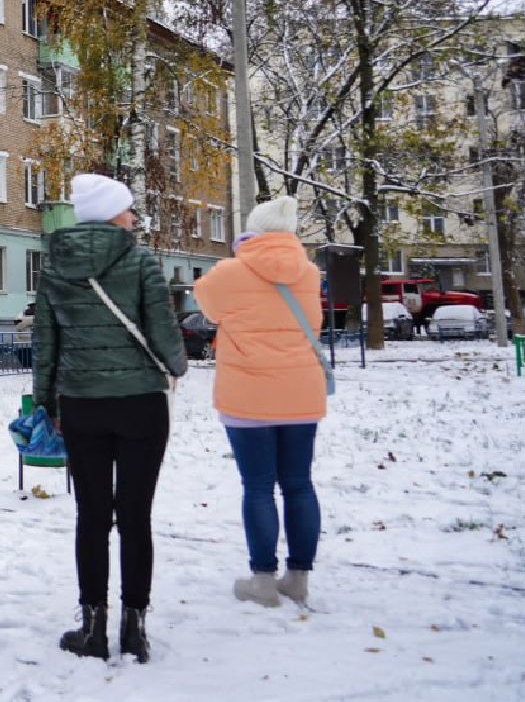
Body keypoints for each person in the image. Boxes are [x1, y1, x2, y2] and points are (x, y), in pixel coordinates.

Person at [32, 174, 188, 664]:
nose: (134, 217)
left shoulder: (55, 265)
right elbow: (162, 330)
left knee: (93, 515)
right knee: (136, 516)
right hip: (142, 403)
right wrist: (177, 365)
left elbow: (45, 342)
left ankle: (93, 627)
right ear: (112, 214)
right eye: (128, 209)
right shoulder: (141, 261)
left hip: (82, 405)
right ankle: (135, 628)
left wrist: (47, 402)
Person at [194, 196, 326, 608]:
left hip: (247, 395)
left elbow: (206, 305)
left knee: (257, 487)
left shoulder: (230, 271)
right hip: (301, 392)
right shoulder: (309, 272)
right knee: (299, 484)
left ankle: (263, 581)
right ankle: (298, 578)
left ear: (253, 230)